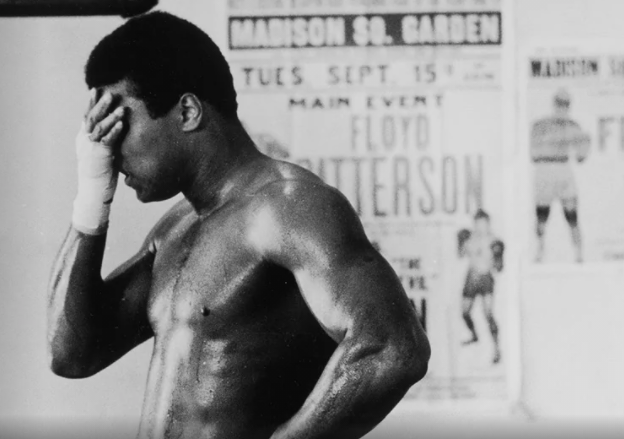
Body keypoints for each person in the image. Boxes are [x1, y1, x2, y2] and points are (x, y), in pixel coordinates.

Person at [46, 12, 430, 439]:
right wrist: (90, 196)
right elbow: (73, 354)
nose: (110, 151)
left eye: (119, 125)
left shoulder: (289, 207)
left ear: (188, 111)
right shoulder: (173, 231)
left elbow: (393, 348)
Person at [531, 89, 590, 263]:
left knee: (572, 214)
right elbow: (533, 154)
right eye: (559, 104)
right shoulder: (540, 125)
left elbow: (580, 157)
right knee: (541, 215)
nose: (562, 108)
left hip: (563, 169)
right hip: (545, 170)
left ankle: (579, 254)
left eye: (565, 105)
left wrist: (585, 144)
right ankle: (539, 251)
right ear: (554, 105)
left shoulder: (573, 126)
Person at [457, 209, 504, 364]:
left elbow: (499, 268)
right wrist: (460, 241)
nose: (481, 227)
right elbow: (460, 254)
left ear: (488, 224)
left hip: (485, 278)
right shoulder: (470, 239)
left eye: (483, 224)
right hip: (471, 277)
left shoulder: (494, 240)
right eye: (478, 224)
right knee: (464, 313)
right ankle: (474, 335)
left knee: (488, 314)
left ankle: (496, 349)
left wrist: (498, 255)